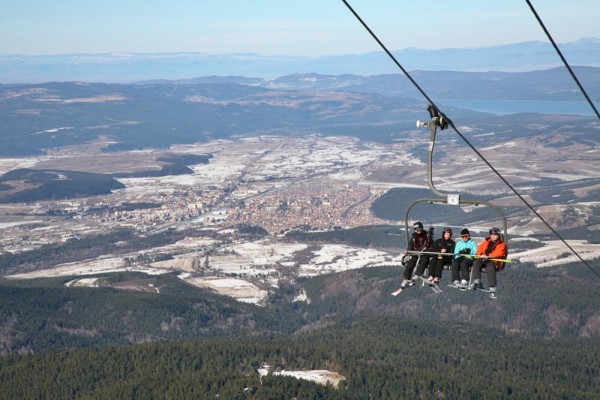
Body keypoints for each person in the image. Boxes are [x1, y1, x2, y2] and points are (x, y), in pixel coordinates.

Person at [471, 227, 508, 298]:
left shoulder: (501, 245)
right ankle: (477, 280)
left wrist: (489, 256)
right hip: (484, 259)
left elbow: (499, 253)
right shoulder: (486, 242)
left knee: (490, 267)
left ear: (498, 235)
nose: (493, 236)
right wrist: (481, 255)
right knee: (476, 262)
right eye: (491, 234)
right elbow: (480, 249)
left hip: (493, 260)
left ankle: (492, 287)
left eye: (495, 234)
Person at [401, 221, 434, 287]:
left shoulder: (428, 237)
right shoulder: (414, 237)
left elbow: (432, 247)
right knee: (411, 263)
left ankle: (417, 275)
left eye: (419, 229)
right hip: (416, 253)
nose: (418, 231)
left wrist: (427, 250)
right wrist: (408, 253)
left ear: (422, 228)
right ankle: (406, 278)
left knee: (424, 261)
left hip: (424, 254)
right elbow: (410, 246)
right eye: (416, 230)